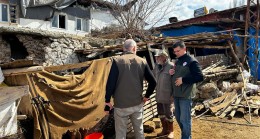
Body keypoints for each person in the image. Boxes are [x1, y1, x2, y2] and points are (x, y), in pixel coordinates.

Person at [104, 39, 156, 139]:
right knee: (139, 132)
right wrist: (146, 96)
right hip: (137, 104)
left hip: (121, 106)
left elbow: (110, 83)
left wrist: (107, 101)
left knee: (121, 134)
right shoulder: (142, 61)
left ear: (124, 49)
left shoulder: (117, 61)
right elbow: (153, 82)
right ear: (134, 48)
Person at [170, 41, 204, 139]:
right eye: (175, 52)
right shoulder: (178, 61)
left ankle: (186, 137)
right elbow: (180, 73)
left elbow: (200, 77)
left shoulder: (192, 61)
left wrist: (183, 80)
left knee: (185, 120)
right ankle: (185, 135)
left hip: (186, 95)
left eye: (178, 51)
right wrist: (172, 72)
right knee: (178, 118)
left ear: (184, 49)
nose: (176, 53)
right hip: (177, 94)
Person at [153, 50, 175, 139]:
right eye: (156, 57)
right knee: (161, 113)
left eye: (158, 57)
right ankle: (164, 130)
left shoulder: (172, 66)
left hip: (168, 95)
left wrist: (173, 95)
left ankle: (171, 131)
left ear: (164, 57)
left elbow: (175, 82)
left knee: (168, 114)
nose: (156, 58)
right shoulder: (157, 67)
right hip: (159, 95)